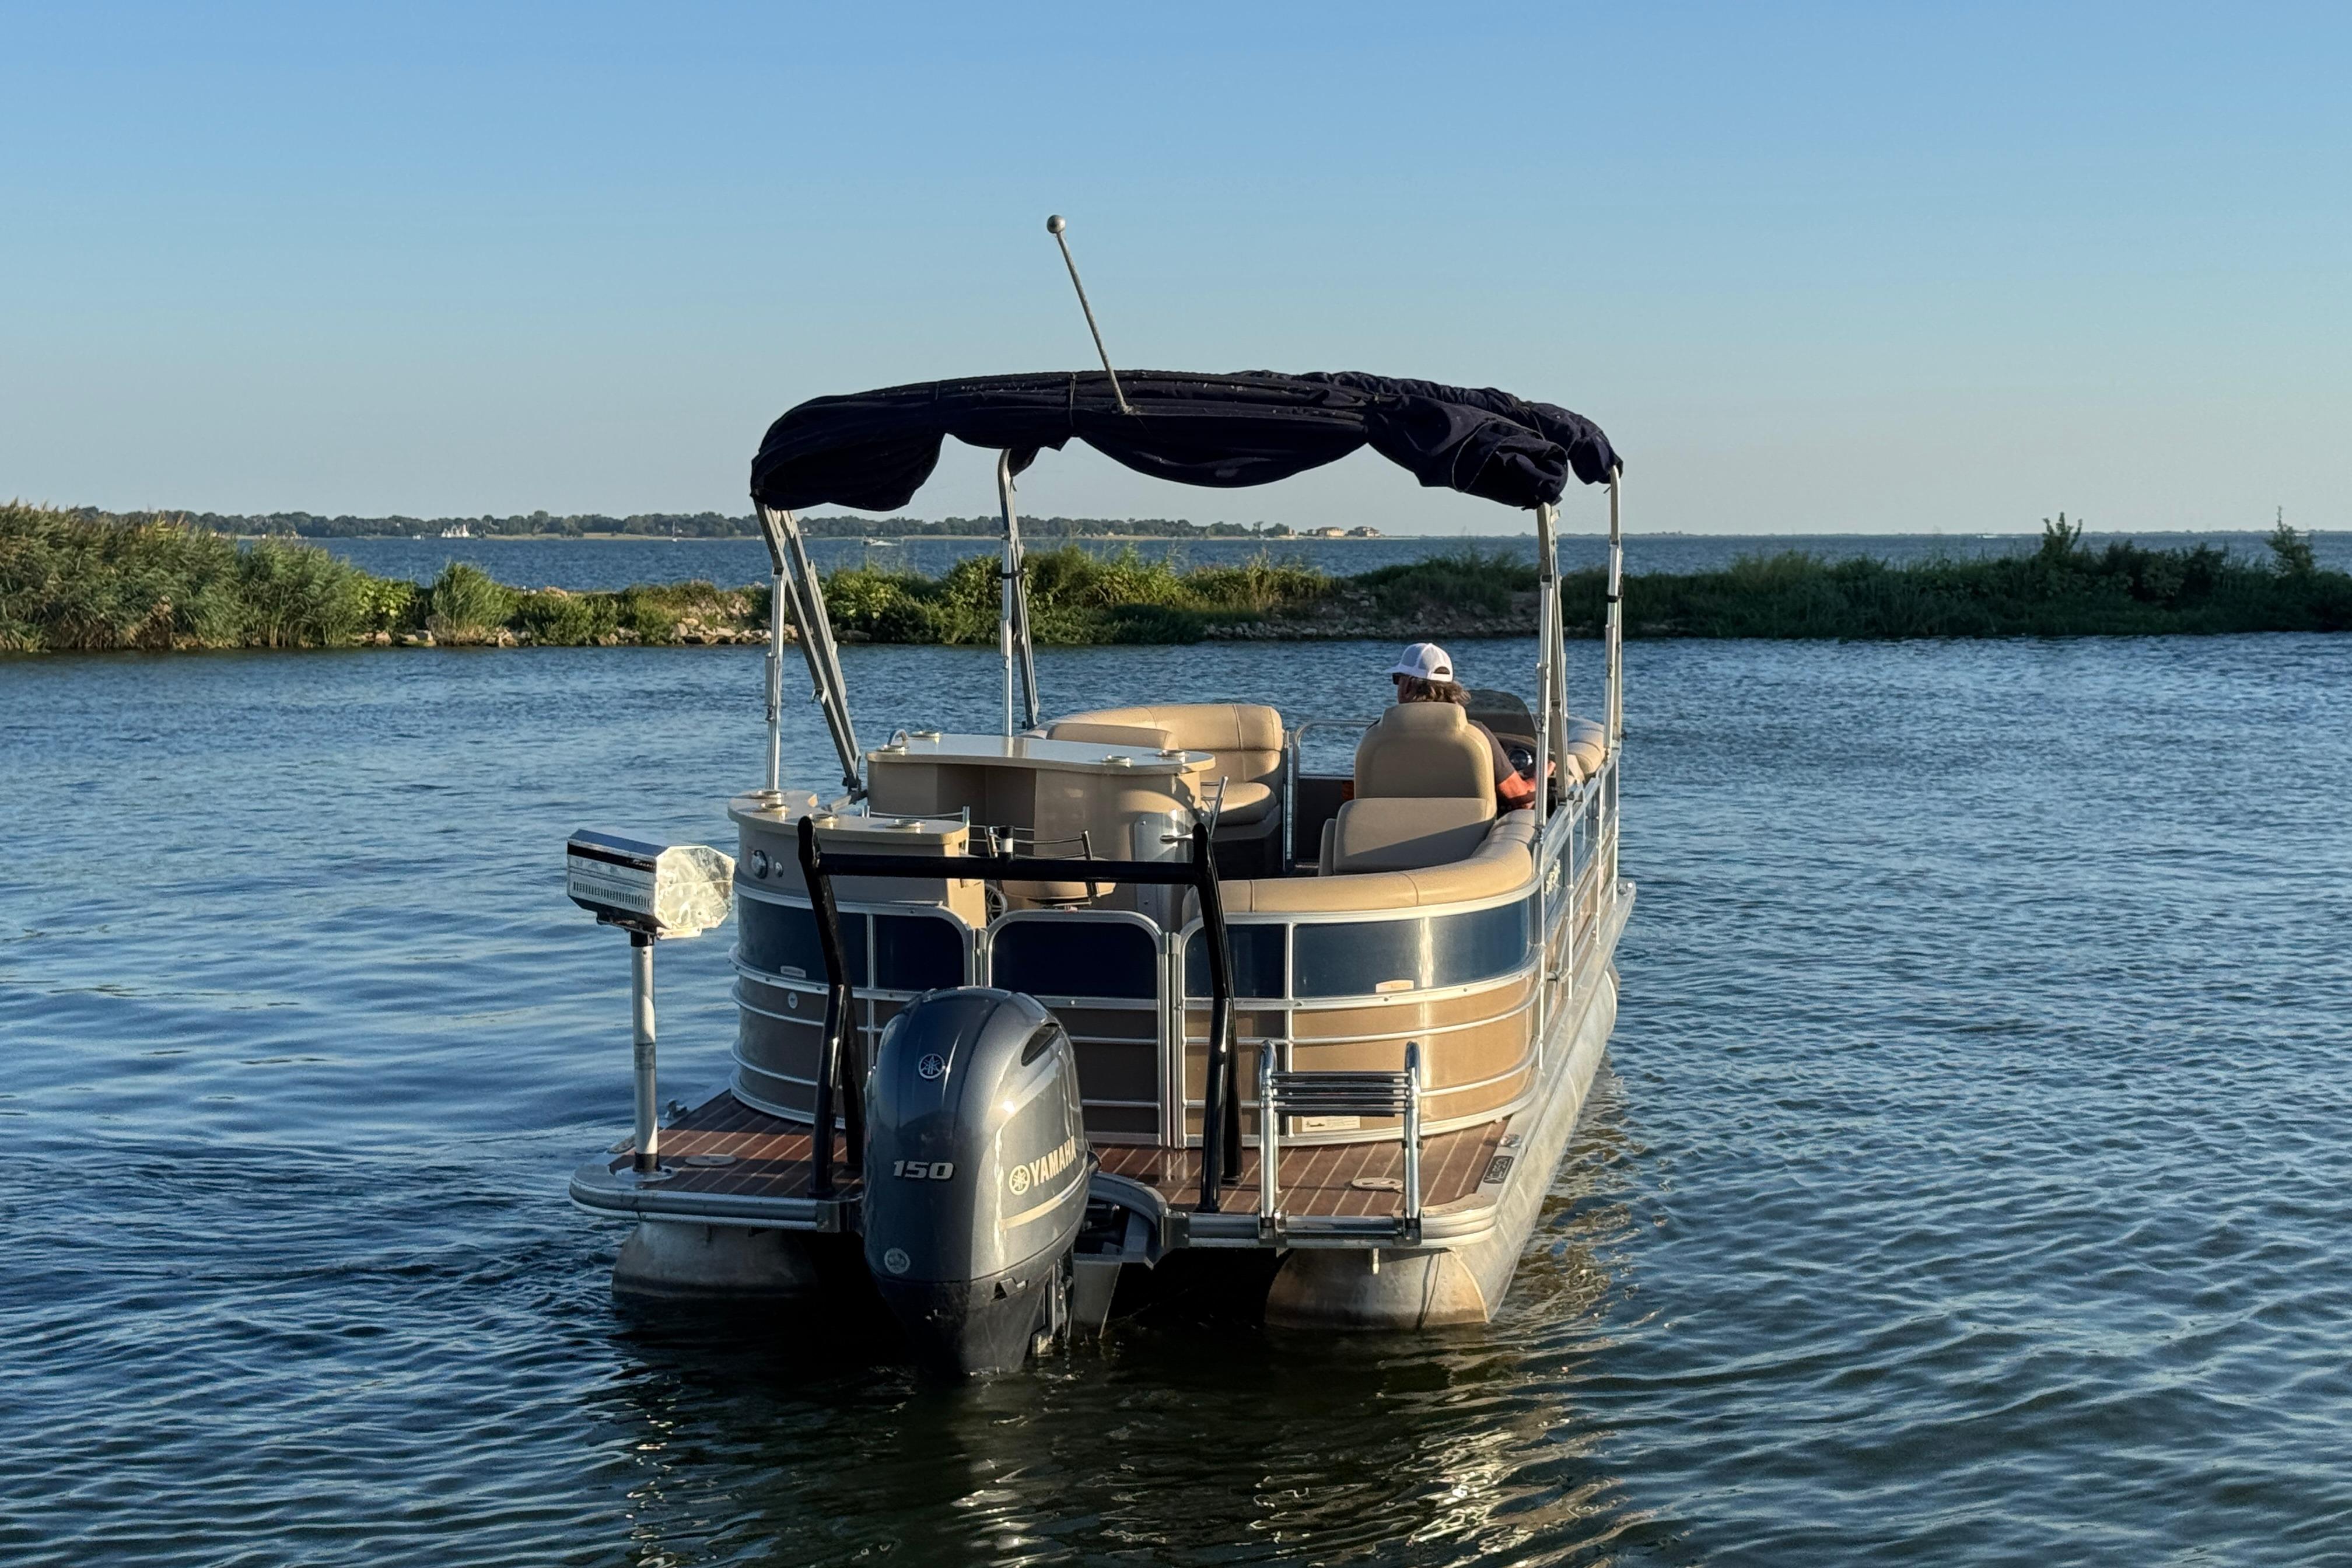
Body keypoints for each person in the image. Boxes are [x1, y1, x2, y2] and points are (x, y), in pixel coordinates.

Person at [1386, 643, 1538, 809]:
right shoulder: (1474, 736)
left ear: (1407, 686)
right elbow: (1521, 798)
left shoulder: (1377, 736)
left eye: (1397, 679)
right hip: (1464, 832)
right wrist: (1541, 775)